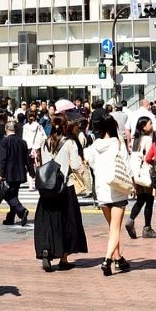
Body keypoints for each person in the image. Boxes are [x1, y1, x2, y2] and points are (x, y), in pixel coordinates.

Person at [32, 120, 89, 271]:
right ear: (65, 127)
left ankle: (46, 251)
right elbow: (76, 165)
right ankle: (63, 257)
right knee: (67, 222)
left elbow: (42, 163)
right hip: (64, 187)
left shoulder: (45, 143)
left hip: (47, 188)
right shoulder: (69, 143)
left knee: (48, 222)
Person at [85, 115, 133, 274]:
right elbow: (126, 164)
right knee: (115, 228)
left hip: (102, 189)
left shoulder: (94, 146)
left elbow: (90, 163)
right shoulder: (118, 143)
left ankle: (118, 259)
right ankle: (107, 259)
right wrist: (132, 185)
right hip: (117, 188)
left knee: (112, 227)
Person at [0, 118, 31, 227]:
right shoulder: (23, 142)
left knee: (7, 194)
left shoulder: (3, 142)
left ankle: (21, 210)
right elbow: (27, 159)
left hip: (8, 172)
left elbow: (1, 159)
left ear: (6, 129)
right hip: (19, 172)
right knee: (14, 194)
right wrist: (32, 172)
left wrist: (1, 174)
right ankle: (10, 218)